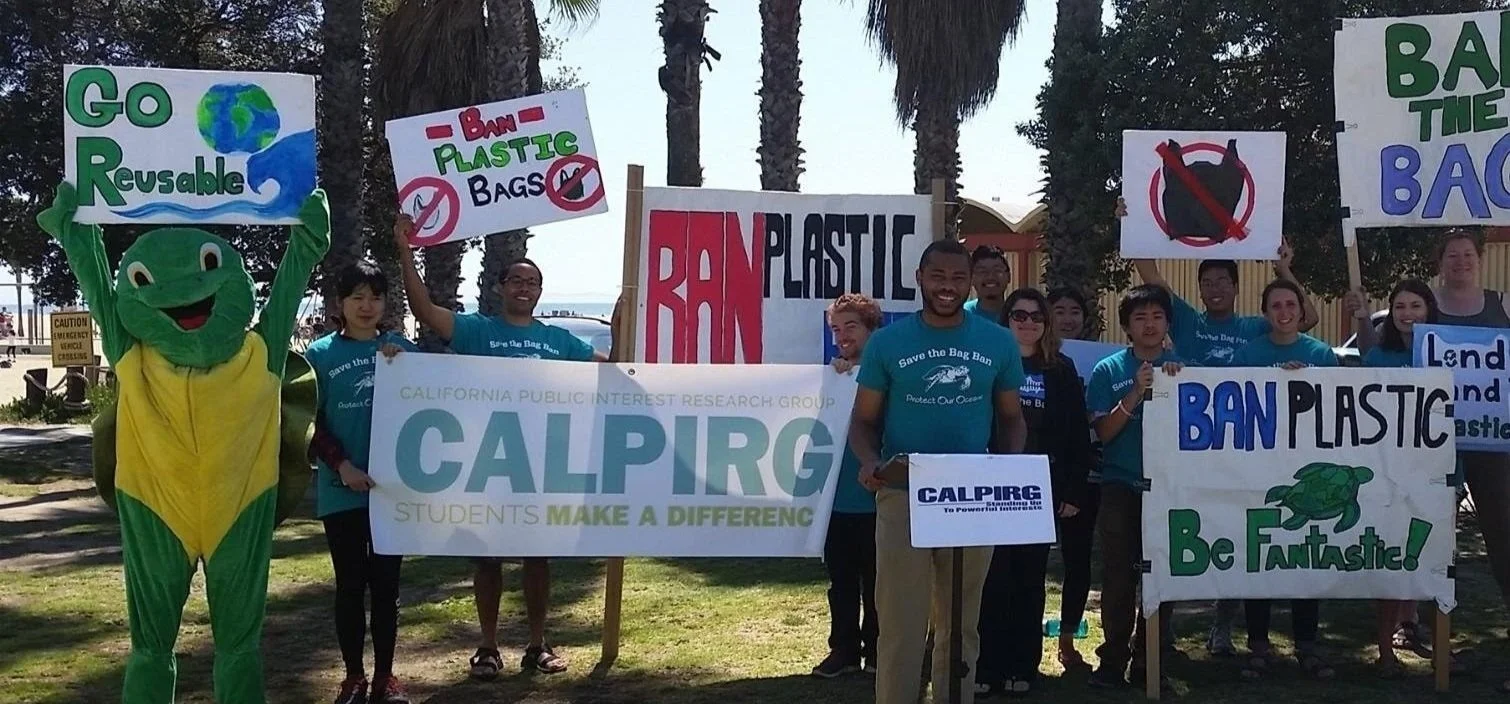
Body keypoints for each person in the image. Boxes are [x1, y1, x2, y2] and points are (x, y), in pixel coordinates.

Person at [393, 214, 610, 679]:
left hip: (537, 470)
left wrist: (629, 318)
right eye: (516, 280)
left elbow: (612, 367)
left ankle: (537, 645)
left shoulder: (558, 341)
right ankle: (488, 647)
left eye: (532, 282)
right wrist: (404, 249)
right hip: (486, 467)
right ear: (501, 287)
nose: (524, 288)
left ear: (539, 291)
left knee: (537, 558)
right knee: (487, 559)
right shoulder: (477, 331)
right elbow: (425, 310)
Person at [1119, 199, 1317, 655]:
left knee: (1237, 524)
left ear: (1235, 285)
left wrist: (1285, 269)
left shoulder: (1254, 326)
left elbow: (1305, 318)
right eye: (1207, 283)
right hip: (1187, 443)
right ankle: (1159, 625)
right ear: (1200, 288)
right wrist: (1132, 223)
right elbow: (1149, 273)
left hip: (1242, 445)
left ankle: (1222, 624)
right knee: (1171, 528)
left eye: (1222, 282)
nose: (1214, 289)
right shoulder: (1186, 319)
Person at [849, 238, 1028, 704]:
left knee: (961, 625)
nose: (948, 287)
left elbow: (1011, 418)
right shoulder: (889, 342)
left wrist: (1005, 469)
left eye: (957, 278)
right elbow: (863, 421)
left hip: (970, 497)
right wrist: (870, 461)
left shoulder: (998, 342)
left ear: (969, 283)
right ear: (920, 280)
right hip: (903, 493)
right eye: (938, 277)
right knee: (901, 625)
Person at [304, 262, 418, 704]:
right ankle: (353, 677)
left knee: (387, 587)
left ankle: (386, 678)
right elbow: (307, 421)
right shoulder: (320, 355)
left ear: (386, 303)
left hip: (392, 492)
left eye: (375, 297)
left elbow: (433, 397)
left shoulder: (399, 349)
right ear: (340, 304)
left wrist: (407, 364)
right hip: (342, 491)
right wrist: (342, 466)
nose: (367, 306)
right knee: (351, 584)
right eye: (357, 297)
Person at [975, 289, 1092, 697]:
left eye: (1035, 316)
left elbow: (1078, 434)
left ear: (1046, 323)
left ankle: (1022, 666)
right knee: (991, 579)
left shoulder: (1060, 370)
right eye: (1018, 315)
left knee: (1028, 580)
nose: (1027, 322)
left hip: (1040, 489)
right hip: (991, 486)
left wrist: (1073, 490)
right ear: (1006, 321)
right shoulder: (989, 365)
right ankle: (986, 667)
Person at [1230, 279, 1338, 680]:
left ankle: (1307, 645)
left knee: (1305, 556)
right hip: (1259, 469)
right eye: (1275, 305)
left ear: (1300, 308)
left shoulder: (1321, 354)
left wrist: (1308, 381)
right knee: (1260, 557)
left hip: (1309, 471)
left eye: (1290, 304)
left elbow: (1337, 411)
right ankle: (1258, 645)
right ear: (1265, 313)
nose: (1284, 311)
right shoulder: (1248, 355)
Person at [1085, 284, 1184, 691]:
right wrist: (1136, 392)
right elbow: (1104, 433)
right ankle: (1112, 661)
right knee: (1119, 578)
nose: (1149, 324)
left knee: (1164, 578)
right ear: (1127, 326)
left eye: (1157, 317)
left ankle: (1151, 659)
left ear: (1166, 324)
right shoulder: (1107, 370)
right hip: (1121, 486)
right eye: (1140, 318)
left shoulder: (1185, 369)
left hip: (1169, 489)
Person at [1345, 279, 1445, 677]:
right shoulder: (1377, 358)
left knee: (1437, 564)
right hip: (1387, 475)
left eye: (1415, 306)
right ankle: (1384, 651)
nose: (1407, 314)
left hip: (1435, 475)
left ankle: (1439, 651)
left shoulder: (1447, 354)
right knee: (1389, 563)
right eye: (1400, 307)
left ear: (1429, 311)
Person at [813, 293, 883, 678]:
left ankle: (876, 651)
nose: (842, 336)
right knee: (841, 583)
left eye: (850, 326)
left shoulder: (889, 373)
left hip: (878, 499)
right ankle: (843, 650)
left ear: (873, 327)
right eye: (836, 329)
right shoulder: (833, 376)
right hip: (834, 501)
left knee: (879, 584)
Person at [1043, 286, 1100, 669]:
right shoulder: (1030, 359)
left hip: (1084, 473)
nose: (1067, 318)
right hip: (1038, 474)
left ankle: (1067, 641)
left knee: (1078, 564)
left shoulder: (1104, 361)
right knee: (1025, 564)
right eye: (1058, 310)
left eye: (1074, 310)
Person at [963, 245, 1011, 321]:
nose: (990, 277)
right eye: (982, 271)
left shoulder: (1019, 316)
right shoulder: (962, 315)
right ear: (971, 278)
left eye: (997, 270)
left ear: (1009, 276)